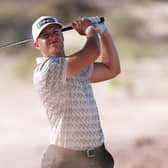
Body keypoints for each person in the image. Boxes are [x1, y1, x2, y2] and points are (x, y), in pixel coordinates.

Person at [32, 15, 120, 168]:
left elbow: (112, 69)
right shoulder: (47, 70)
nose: (52, 37)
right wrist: (90, 30)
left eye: (56, 32)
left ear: (62, 36)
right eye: (45, 35)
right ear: (37, 45)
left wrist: (104, 33)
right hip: (65, 159)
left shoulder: (76, 66)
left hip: (97, 157)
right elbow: (93, 52)